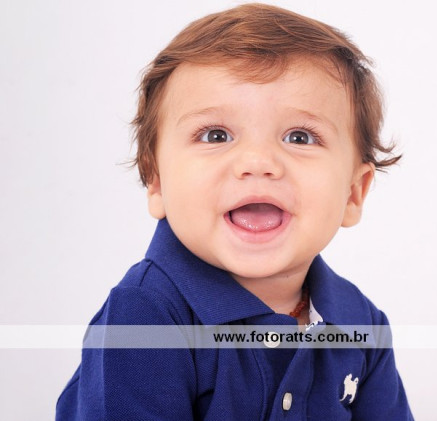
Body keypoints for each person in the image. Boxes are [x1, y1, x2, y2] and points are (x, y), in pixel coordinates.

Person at [56, 3, 414, 420]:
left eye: (300, 137)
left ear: (353, 193)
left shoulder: (361, 323)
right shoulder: (146, 315)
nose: (258, 162)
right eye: (216, 135)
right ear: (157, 181)